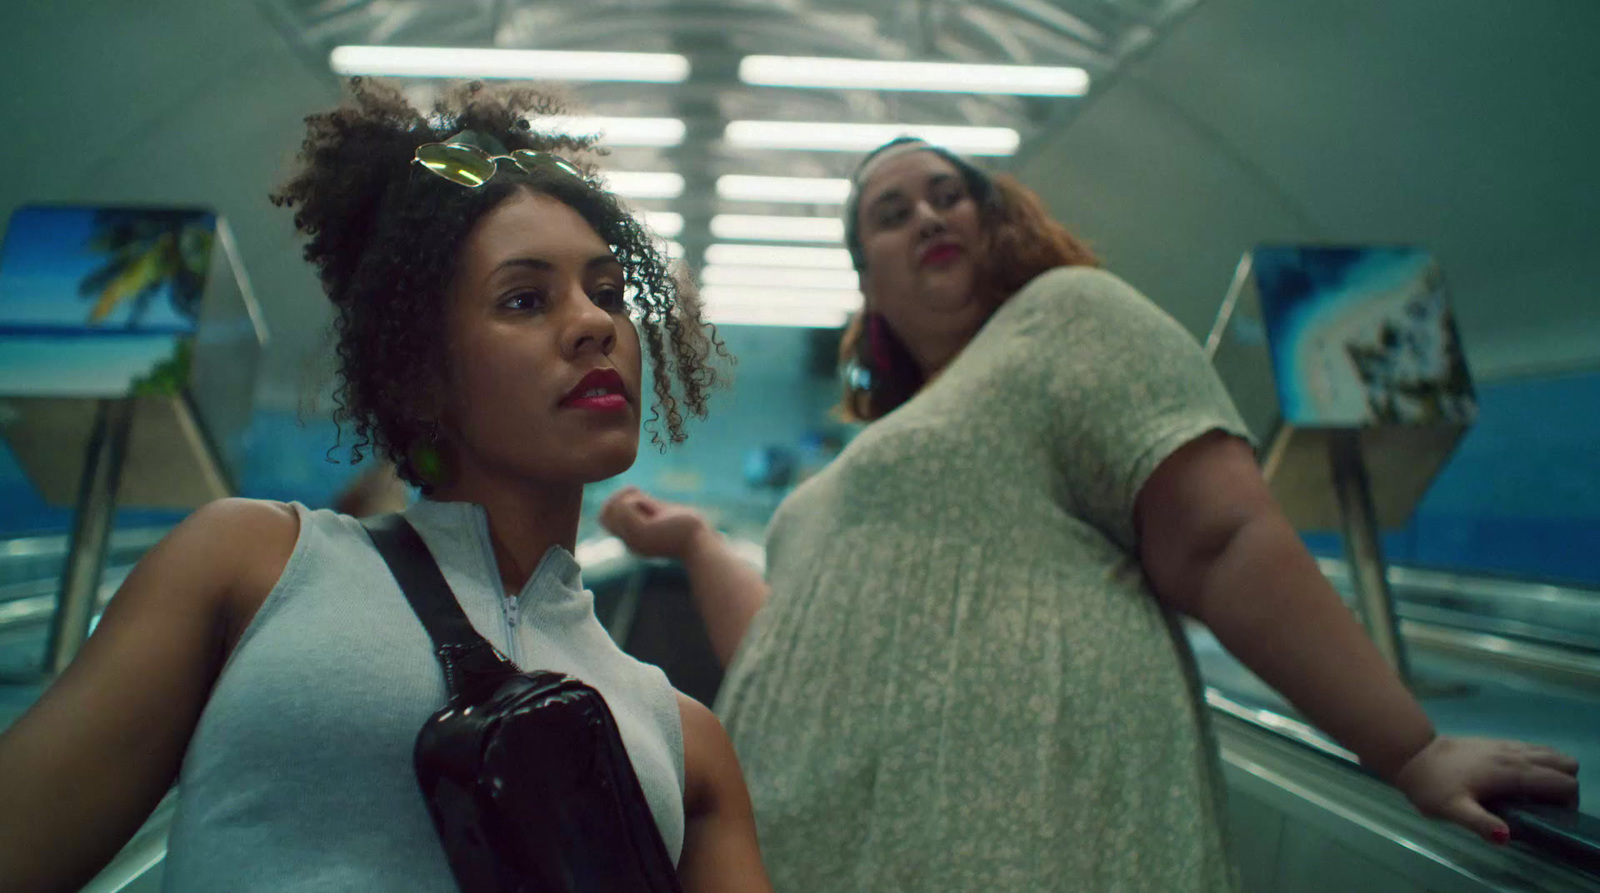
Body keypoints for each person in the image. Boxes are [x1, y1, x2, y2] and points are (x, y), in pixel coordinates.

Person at [599, 137, 1581, 891]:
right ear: (868, 278)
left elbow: (1221, 535)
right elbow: (790, 638)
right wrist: (691, 539)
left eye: (951, 193)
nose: (929, 213)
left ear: (997, 220)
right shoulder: (874, 448)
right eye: (891, 212)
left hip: (1019, 838)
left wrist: (1407, 746)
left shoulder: (1065, 315)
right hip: (806, 846)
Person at [0, 80, 771, 893]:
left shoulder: (685, 739)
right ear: (417, 377)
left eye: (608, 294)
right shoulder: (253, 566)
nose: (594, 323)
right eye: (524, 298)